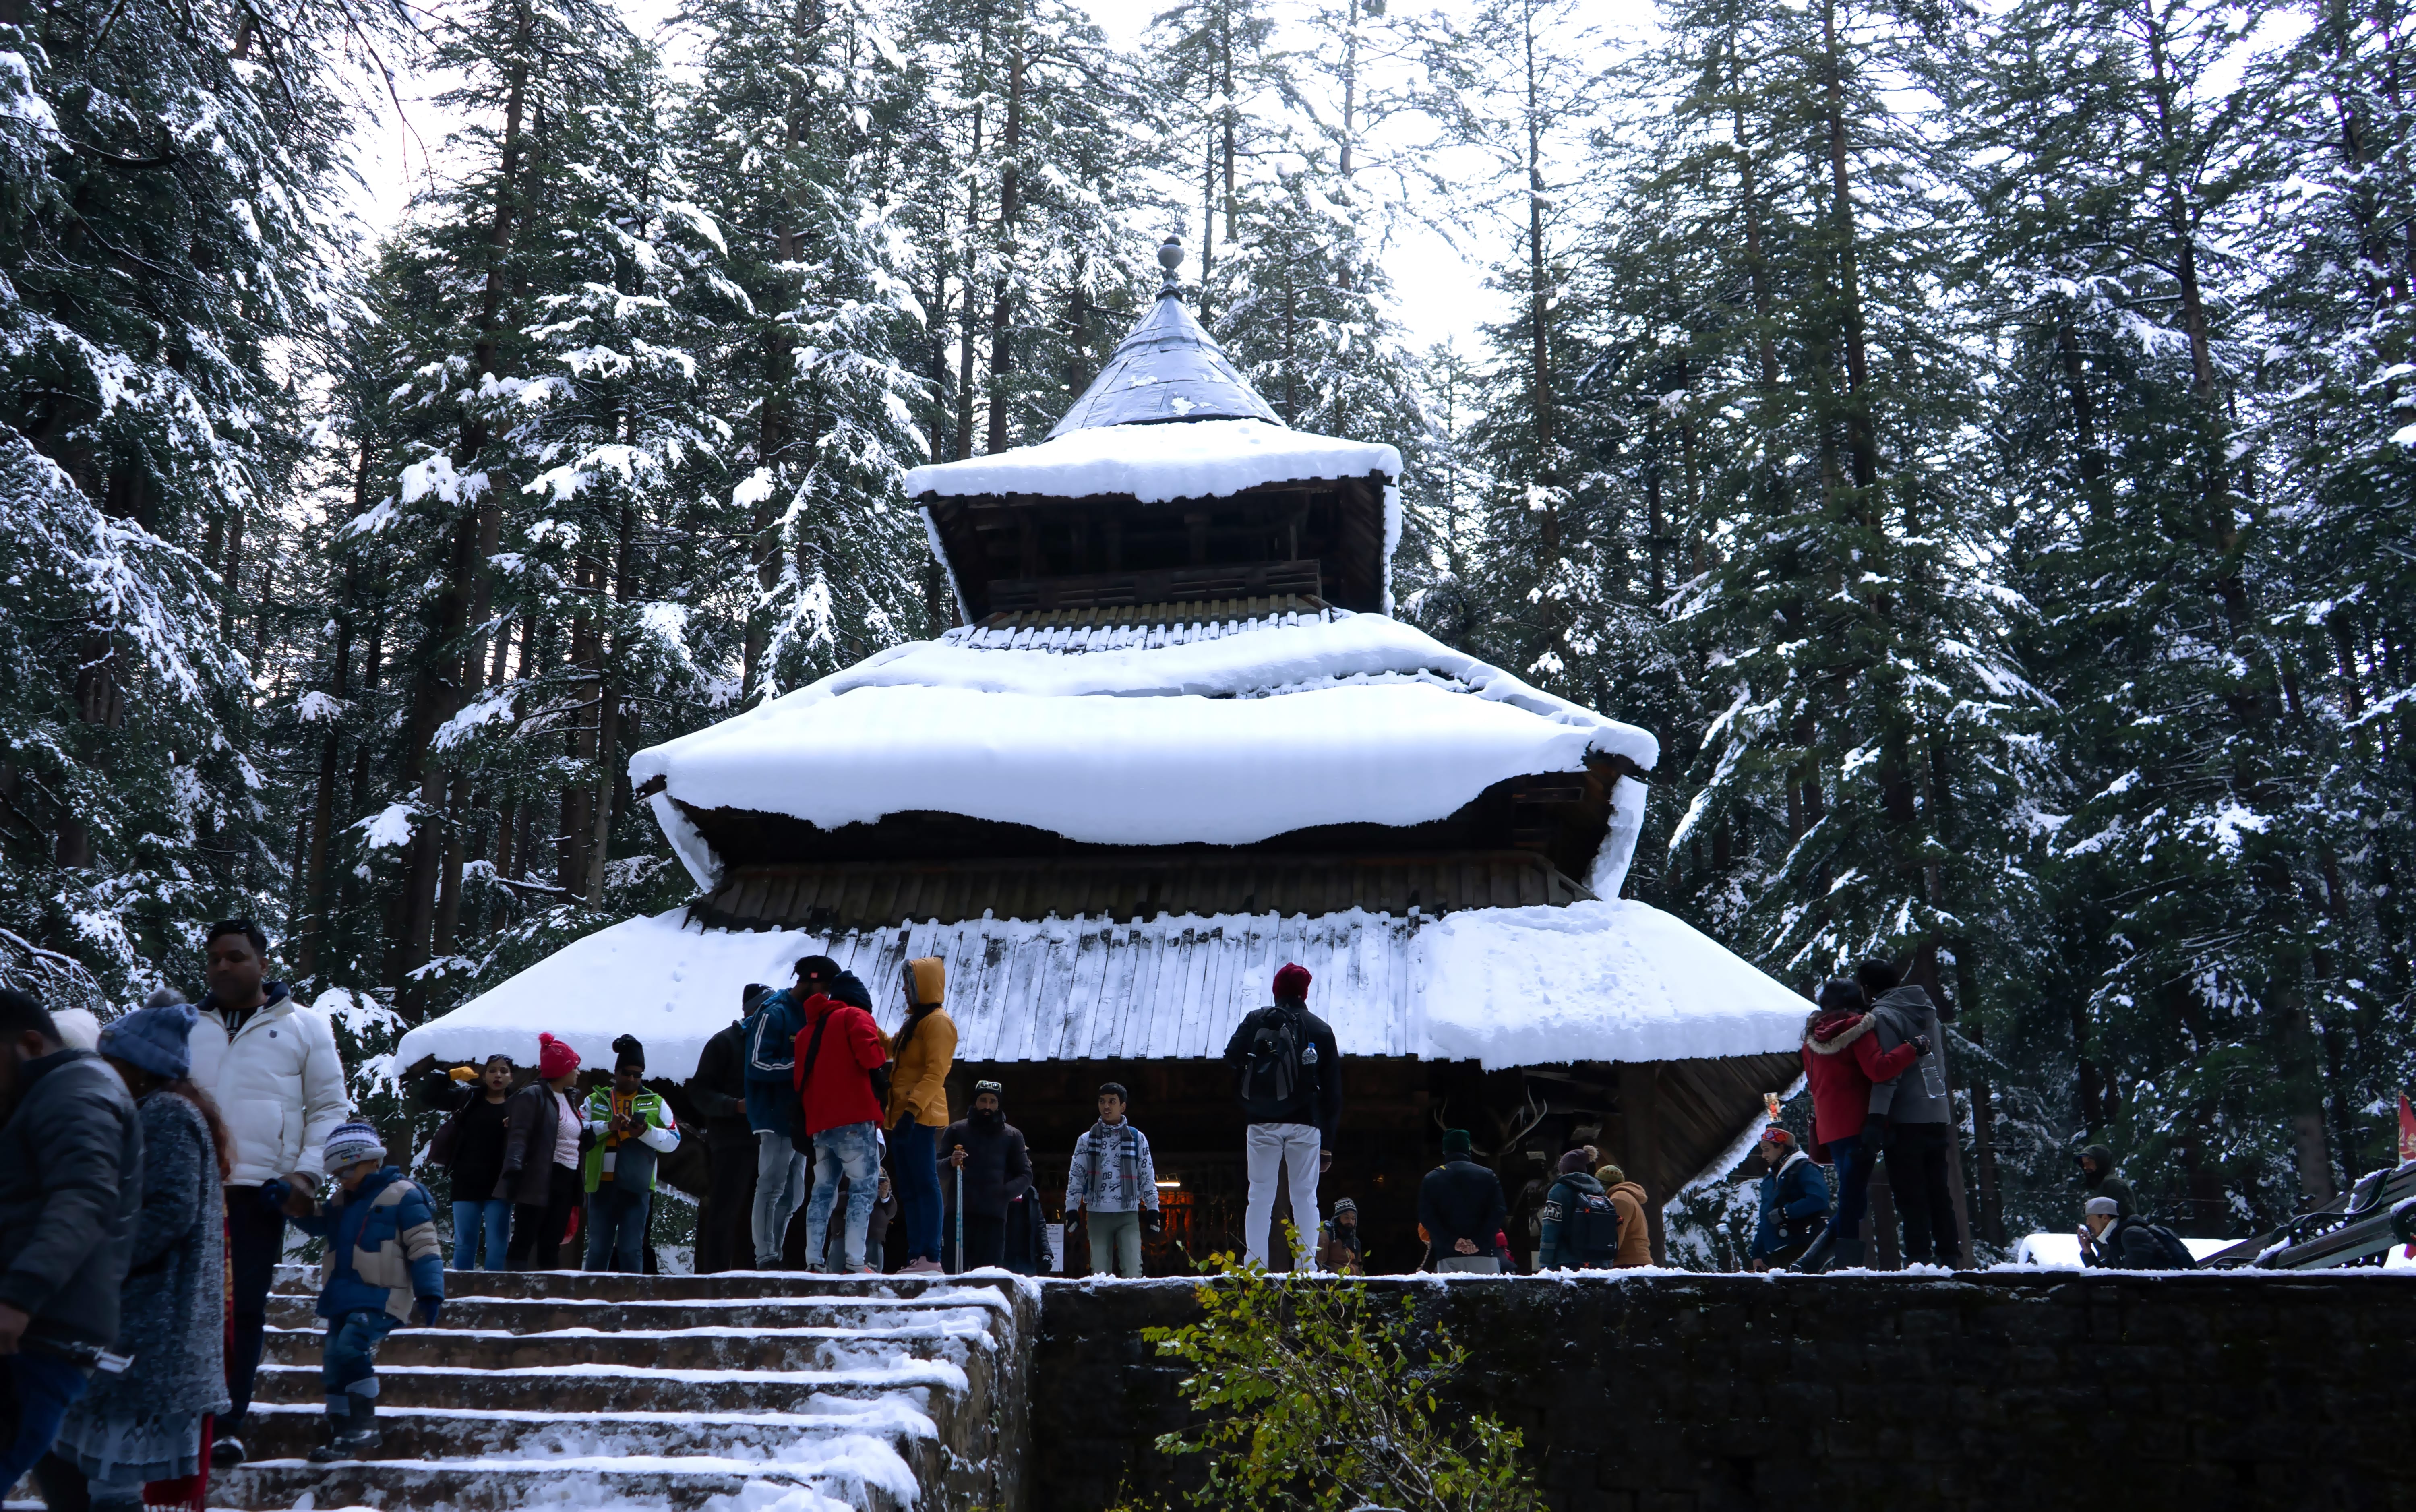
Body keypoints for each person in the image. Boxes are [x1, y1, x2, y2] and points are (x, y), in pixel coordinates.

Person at [41, 1003, 231, 1511]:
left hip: (154, 1323)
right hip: (145, 1319)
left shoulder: (168, 1114)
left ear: (142, 1065)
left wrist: (97, 1263)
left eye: (112, 1060)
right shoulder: (156, 1112)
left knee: (114, 1474)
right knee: (104, 1471)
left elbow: (170, 1212)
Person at [186, 919, 348, 1467]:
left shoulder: (305, 1026)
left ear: (263, 963)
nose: (223, 967)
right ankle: (182, 1416)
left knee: (244, 1309)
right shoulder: (188, 1023)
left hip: (260, 1192)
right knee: (185, 1304)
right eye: (214, 959)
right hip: (189, 1186)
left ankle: (228, 1422)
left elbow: (329, 1107)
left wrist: (305, 1175)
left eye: (235, 956)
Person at [0, 989, 141, 1494]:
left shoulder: (77, 1090)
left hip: (39, 1334)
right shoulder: (46, 1094)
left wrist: (19, 1295)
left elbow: (84, 1196)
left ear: (31, 1044)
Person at [274, 1121, 443, 1462]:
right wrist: (289, 1204)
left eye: (347, 1168)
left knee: (352, 1345)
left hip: (383, 1293)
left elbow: (424, 1246)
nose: (342, 1178)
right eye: (337, 1173)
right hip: (343, 1294)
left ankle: (364, 1422)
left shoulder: (404, 1195)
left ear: (370, 1160)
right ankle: (341, 1428)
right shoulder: (341, 1202)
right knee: (334, 1358)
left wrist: (430, 1292)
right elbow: (319, 1221)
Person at [1792, 980, 1926, 1273]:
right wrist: (1912, 1048)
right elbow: (1879, 1069)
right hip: (1859, 1126)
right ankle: (1842, 1267)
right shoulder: (1858, 1028)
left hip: (1831, 1129)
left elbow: (1816, 1086)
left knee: (1853, 1198)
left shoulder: (1810, 1040)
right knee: (1853, 1201)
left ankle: (1817, 1260)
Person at [1222, 962, 1342, 1270]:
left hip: (1261, 1120)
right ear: (1304, 993)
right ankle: (1306, 1267)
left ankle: (1255, 1265)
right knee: (1304, 1196)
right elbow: (1332, 1093)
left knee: (1260, 1195)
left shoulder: (1256, 1019)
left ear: (1276, 990)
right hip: (1306, 1123)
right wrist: (1327, 1144)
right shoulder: (1320, 1029)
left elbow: (1231, 1056)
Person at [1857, 958, 1963, 1266]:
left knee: (1910, 1194)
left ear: (1867, 987)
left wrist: (1876, 1119)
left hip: (1905, 1117)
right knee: (1938, 1192)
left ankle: (1919, 1261)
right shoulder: (1928, 1013)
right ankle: (1949, 1257)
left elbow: (1887, 1073)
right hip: (1936, 1113)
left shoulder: (1883, 1016)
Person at [792, 958, 891, 1274]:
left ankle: (814, 1261)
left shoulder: (808, 1030)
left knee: (822, 1191)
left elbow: (799, 1081)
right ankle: (855, 1262)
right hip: (856, 1121)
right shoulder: (855, 1016)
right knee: (863, 1189)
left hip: (821, 1125)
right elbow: (871, 1057)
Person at [582, 1036, 680, 1273]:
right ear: (616, 1071)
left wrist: (646, 1132)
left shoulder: (655, 1102)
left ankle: (633, 1305)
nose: (632, 1079)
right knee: (598, 1249)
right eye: (627, 1073)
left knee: (631, 1249)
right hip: (601, 1185)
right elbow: (578, 1131)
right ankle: (587, 1303)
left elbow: (674, 1141)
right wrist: (608, 1127)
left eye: (638, 1075)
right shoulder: (596, 1099)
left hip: (638, 1186)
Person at [885, 957, 956, 1275]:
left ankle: (931, 1254)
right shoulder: (915, 1022)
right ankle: (918, 1255)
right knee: (911, 1187)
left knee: (925, 1183)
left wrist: (911, 1112)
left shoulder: (938, 1022)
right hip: (902, 1115)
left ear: (921, 987)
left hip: (919, 1115)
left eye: (909, 984)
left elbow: (936, 1073)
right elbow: (892, 1050)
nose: (903, 990)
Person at [689, 988, 762, 1273]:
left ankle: (763, 1273)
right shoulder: (724, 1042)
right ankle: (714, 1276)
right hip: (731, 1142)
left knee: (768, 1211)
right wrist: (735, 1106)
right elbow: (700, 1093)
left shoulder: (777, 1042)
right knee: (725, 1209)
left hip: (769, 1141)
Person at [498, 1033, 583, 1270]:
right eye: (574, 1067)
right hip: (540, 1175)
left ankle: (550, 1299)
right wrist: (514, 1168)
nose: (578, 1072)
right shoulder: (533, 1095)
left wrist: (586, 1139)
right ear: (562, 1069)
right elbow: (519, 1135)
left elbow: (564, 1133)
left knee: (552, 1242)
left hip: (566, 1178)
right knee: (525, 1238)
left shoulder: (570, 1098)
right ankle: (511, 1294)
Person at [425, 1054, 517, 1271]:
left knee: (497, 1245)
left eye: (504, 1071)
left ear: (511, 1078)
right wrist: (450, 1076)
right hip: (466, 1180)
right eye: (493, 1070)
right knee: (465, 1243)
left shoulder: (518, 1106)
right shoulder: (469, 1098)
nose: (498, 1075)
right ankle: (460, 1292)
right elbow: (429, 1097)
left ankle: (493, 1295)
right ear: (484, 1075)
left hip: (500, 1184)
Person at [745, 968, 810, 1269]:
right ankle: (766, 1256)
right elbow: (757, 1062)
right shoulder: (774, 1013)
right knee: (771, 1185)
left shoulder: (804, 1013)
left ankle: (776, 1251)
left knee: (795, 1193)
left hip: (799, 1116)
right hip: (775, 1115)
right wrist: (802, 1066)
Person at [1065, 1082, 1161, 1279]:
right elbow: (1077, 1175)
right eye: (1102, 1102)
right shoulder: (1087, 1139)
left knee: (1134, 1270)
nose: (1106, 1106)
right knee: (1099, 1273)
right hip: (1098, 1213)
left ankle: (1133, 1309)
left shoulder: (1137, 1138)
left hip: (1128, 1213)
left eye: (1112, 1102)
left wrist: (1153, 1209)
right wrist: (1071, 1209)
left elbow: (1147, 1175)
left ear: (1123, 1106)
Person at [940, 1082, 1032, 1272]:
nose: (988, 1106)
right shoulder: (956, 1131)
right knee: (954, 1272)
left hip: (994, 1216)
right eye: (983, 1100)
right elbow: (935, 1167)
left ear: (999, 1105)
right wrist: (951, 1162)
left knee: (989, 1276)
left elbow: (1025, 1175)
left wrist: (1005, 1193)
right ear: (975, 1102)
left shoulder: (1013, 1136)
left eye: (993, 1101)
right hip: (959, 1214)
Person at [1419, 1129, 1506, 1274]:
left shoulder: (1431, 1178)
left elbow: (1427, 1218)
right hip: (1484, 1253)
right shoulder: (1488, 1175)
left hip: (1448, 1255)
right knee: (1489, 1296)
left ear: (1445, 1150)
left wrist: (1452, 1242)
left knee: (1453, 1297)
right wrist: (1478, 1241)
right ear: (1468, 1149)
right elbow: (1499, 1212)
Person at [1747, 1127, 1831, 1270]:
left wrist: (1785, 1212)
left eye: (1767, 1149)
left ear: (1780, 1149)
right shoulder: (1769, 1180)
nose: (1763, 1155)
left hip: (1802, 1248)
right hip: (1775, 1252)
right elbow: (1765, 1218)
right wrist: (1758, 1254)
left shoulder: (1804, 1168)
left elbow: (1818, 1199)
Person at [1536, 1150, 1620, 1271]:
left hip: (1567, 1263)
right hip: (1597, 1262)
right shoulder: (1598, 1191)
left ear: (1564, 1170)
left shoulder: (1559, 1190)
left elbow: (1551, 1228)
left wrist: (1545, 1264)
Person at [2080, 1196, 2196, 1270]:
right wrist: (2087, 1252)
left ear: (2105, 1218)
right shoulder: (2117, 1239)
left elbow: (2133, 1278)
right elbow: (2106, 1278)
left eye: (2089, 1217)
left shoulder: (2131, 1235)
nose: (2087, 1223)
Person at [1592, 1163, 1654, 1267]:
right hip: (1633, 1261)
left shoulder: (1619, 1199)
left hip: (1629, 1262)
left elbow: (1615, 1235)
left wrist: (1602, 1258)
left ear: (1603, 1184)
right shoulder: (1626, 1196)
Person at [2076, 1143, 2136, 1218]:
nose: (2085, 1168)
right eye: (2084, 1164)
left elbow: (2128, 1217)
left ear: (2101, 1163)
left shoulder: (2112, 1184)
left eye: (2090, 1163)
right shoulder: (2104, 1185)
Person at [1317, 1198, 1365, 1275]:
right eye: (1346, 1218)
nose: (1350, 1222)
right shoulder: (1326, 1236)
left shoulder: (1355, 1242)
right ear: (1338, 1218)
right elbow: (1319, 1267)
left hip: (1355, 1284)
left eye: (1353, 1219)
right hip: (1334, 1284)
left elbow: (1359, 1267)